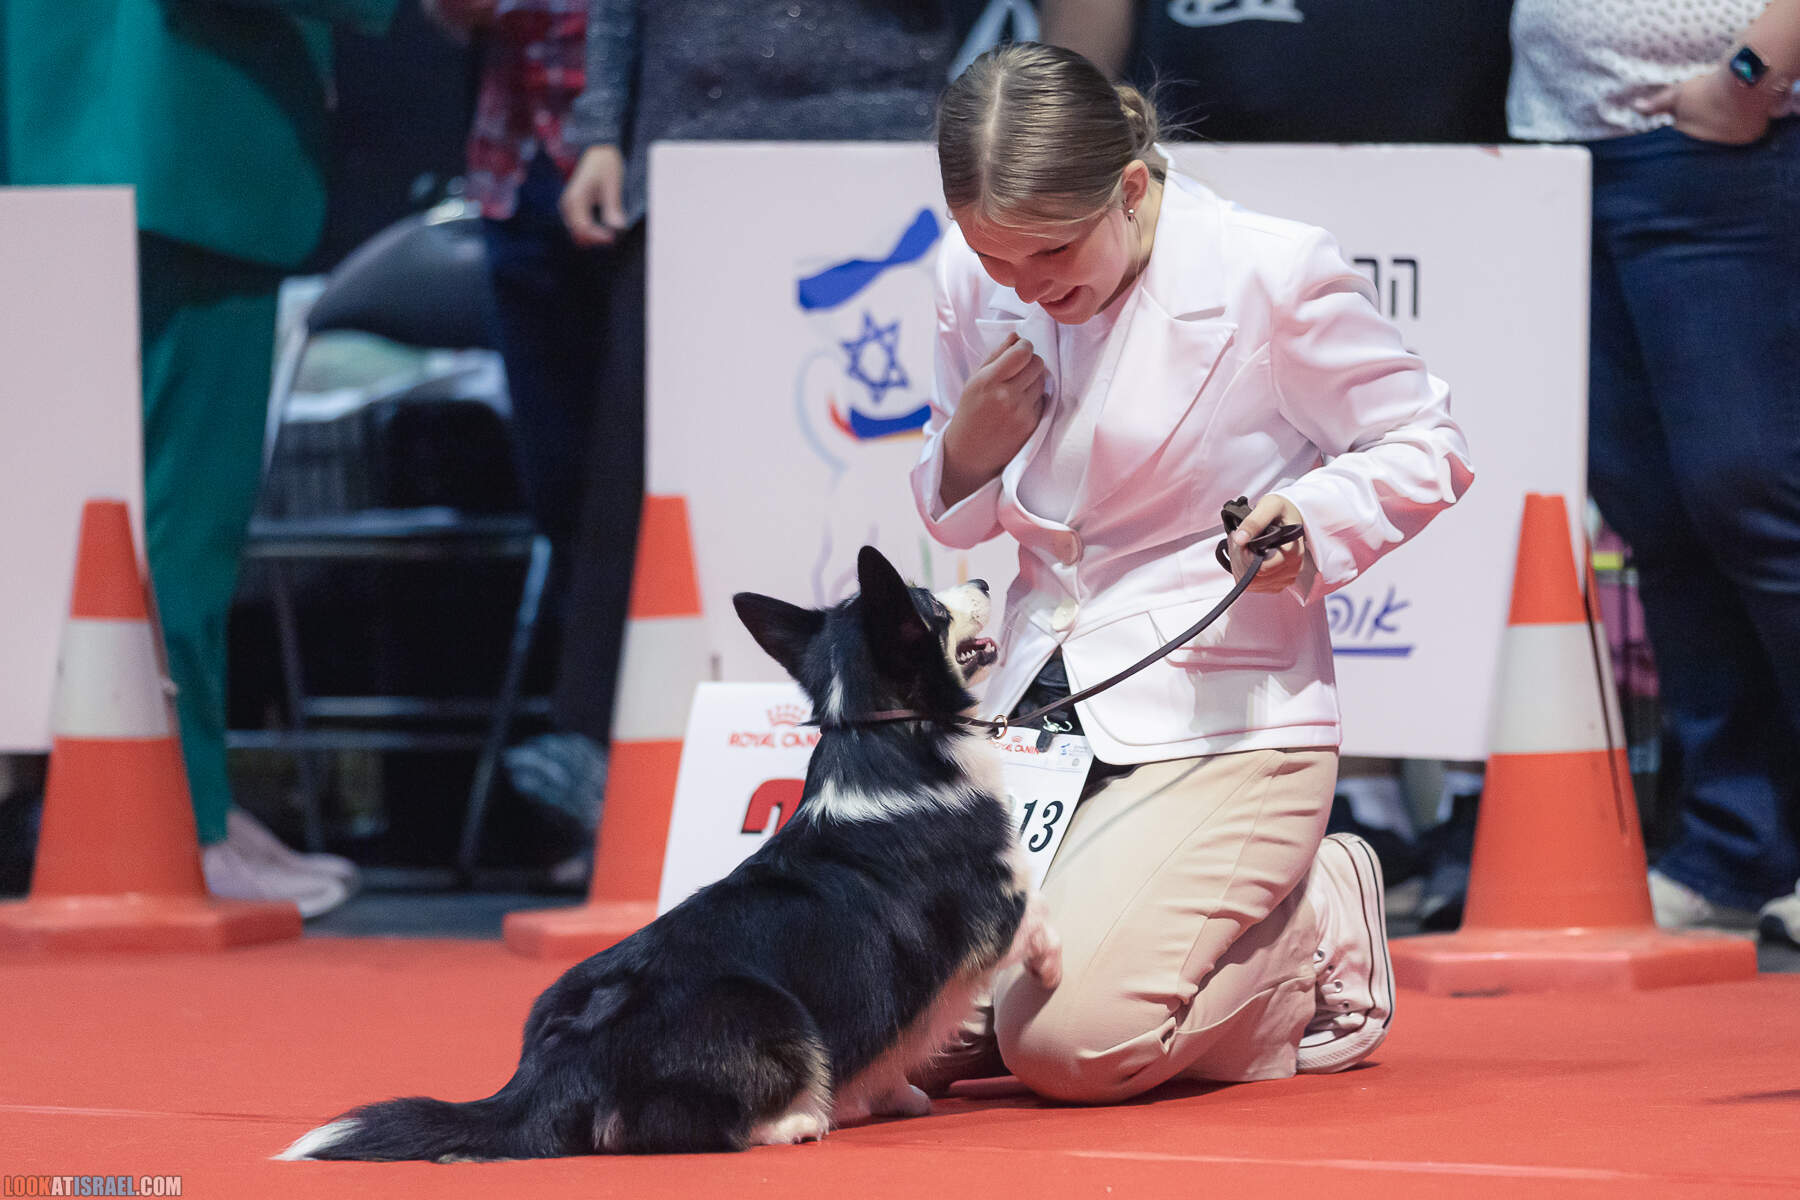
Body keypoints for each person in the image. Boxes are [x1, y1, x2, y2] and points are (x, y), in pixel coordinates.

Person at [911, 43, 1473, 1100]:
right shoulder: (967, 274)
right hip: (1040, 712)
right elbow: (962, 497)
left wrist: (1311, 514)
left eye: (1052, 253)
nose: (1027, 288)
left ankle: (1314, 934)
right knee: (906, 1031)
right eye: (997, 262)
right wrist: (970, 445)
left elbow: (1426, 441)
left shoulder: (1269, 269)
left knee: (1070, 1049)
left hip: (1227, 719)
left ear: (1130, 189)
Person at [2, 0, 396, 918]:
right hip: (183, 151)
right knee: (175, 517)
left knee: (97, 508)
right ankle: (183, 822)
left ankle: (188, 801)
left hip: (63, 133)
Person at [1509, 0, 1800, 943]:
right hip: (1562, 148)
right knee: (1656, 511)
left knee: (1757, 495)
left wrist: (1750, 78)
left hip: (1733, 138)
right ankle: (1732, 845)